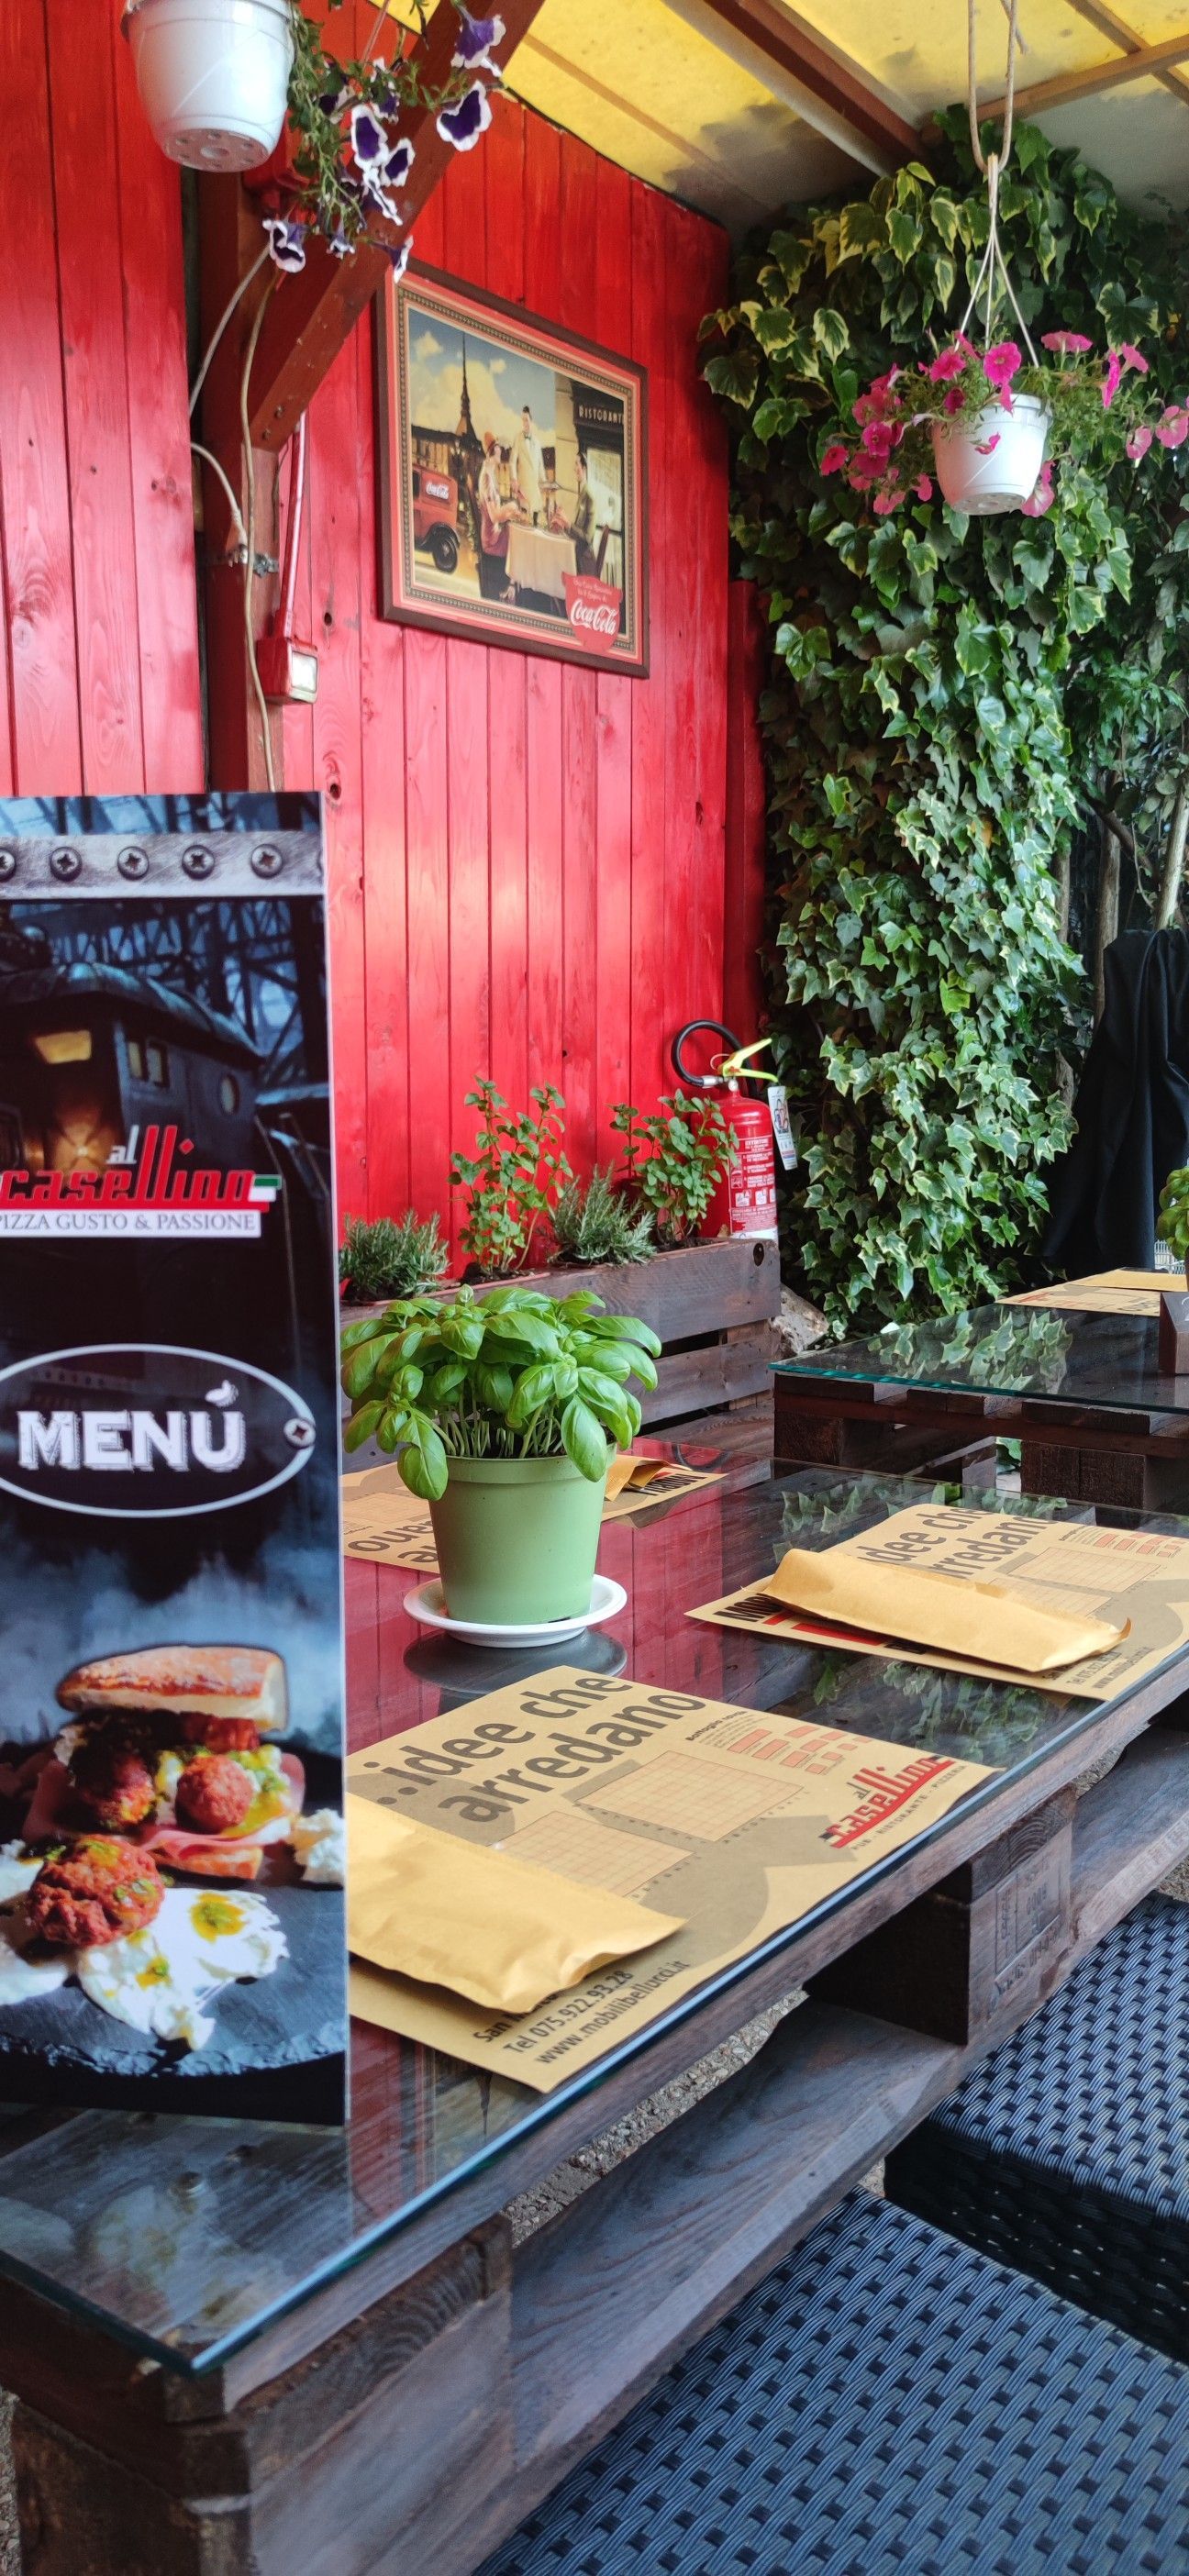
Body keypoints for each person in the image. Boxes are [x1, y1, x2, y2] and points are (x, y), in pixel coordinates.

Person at [477, 432, 517, 602]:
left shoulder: (489, 472)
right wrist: (511, 507)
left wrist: (509, 512)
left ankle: (512, 584)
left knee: (512, 530)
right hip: (491, 541)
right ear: (494, 451)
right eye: (499, 446)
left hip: (492, 534)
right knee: (515, 537)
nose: (501, 449)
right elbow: (494, 516)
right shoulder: (486, 477)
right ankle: (512, 587)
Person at [556, 450, 598, 576]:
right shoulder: (583, 493)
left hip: (583, 561)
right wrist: (563, 524)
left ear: (584, 468)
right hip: (578, 552)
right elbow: (578, 528)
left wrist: (568, 524)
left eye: (577, 464)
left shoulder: (590, 497)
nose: (575, 469)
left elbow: (587, 538)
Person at [511, 404, 545, 525]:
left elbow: (541, 466)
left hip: (534, 487)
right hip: (524, 485)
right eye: (523, 420)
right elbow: (512, 461)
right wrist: (514, 479)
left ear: (531, 420)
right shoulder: (518, 439)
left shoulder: (537, 442)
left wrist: (544, 483)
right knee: (524, 518)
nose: (524, 423)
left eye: (526, 420)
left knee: (535, 517)